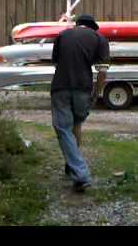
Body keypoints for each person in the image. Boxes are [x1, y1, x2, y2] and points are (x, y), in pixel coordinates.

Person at [50, 14, 110, 192]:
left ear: (77, 25)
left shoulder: (63, 35)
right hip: (83, 89)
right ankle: (72, 165)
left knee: (63, 129)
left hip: (61, 87)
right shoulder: (100, 39)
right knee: (76, 125)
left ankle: (81, 174)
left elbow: (56, 63)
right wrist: (95, 95)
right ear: (93, 27)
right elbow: (102, 73)